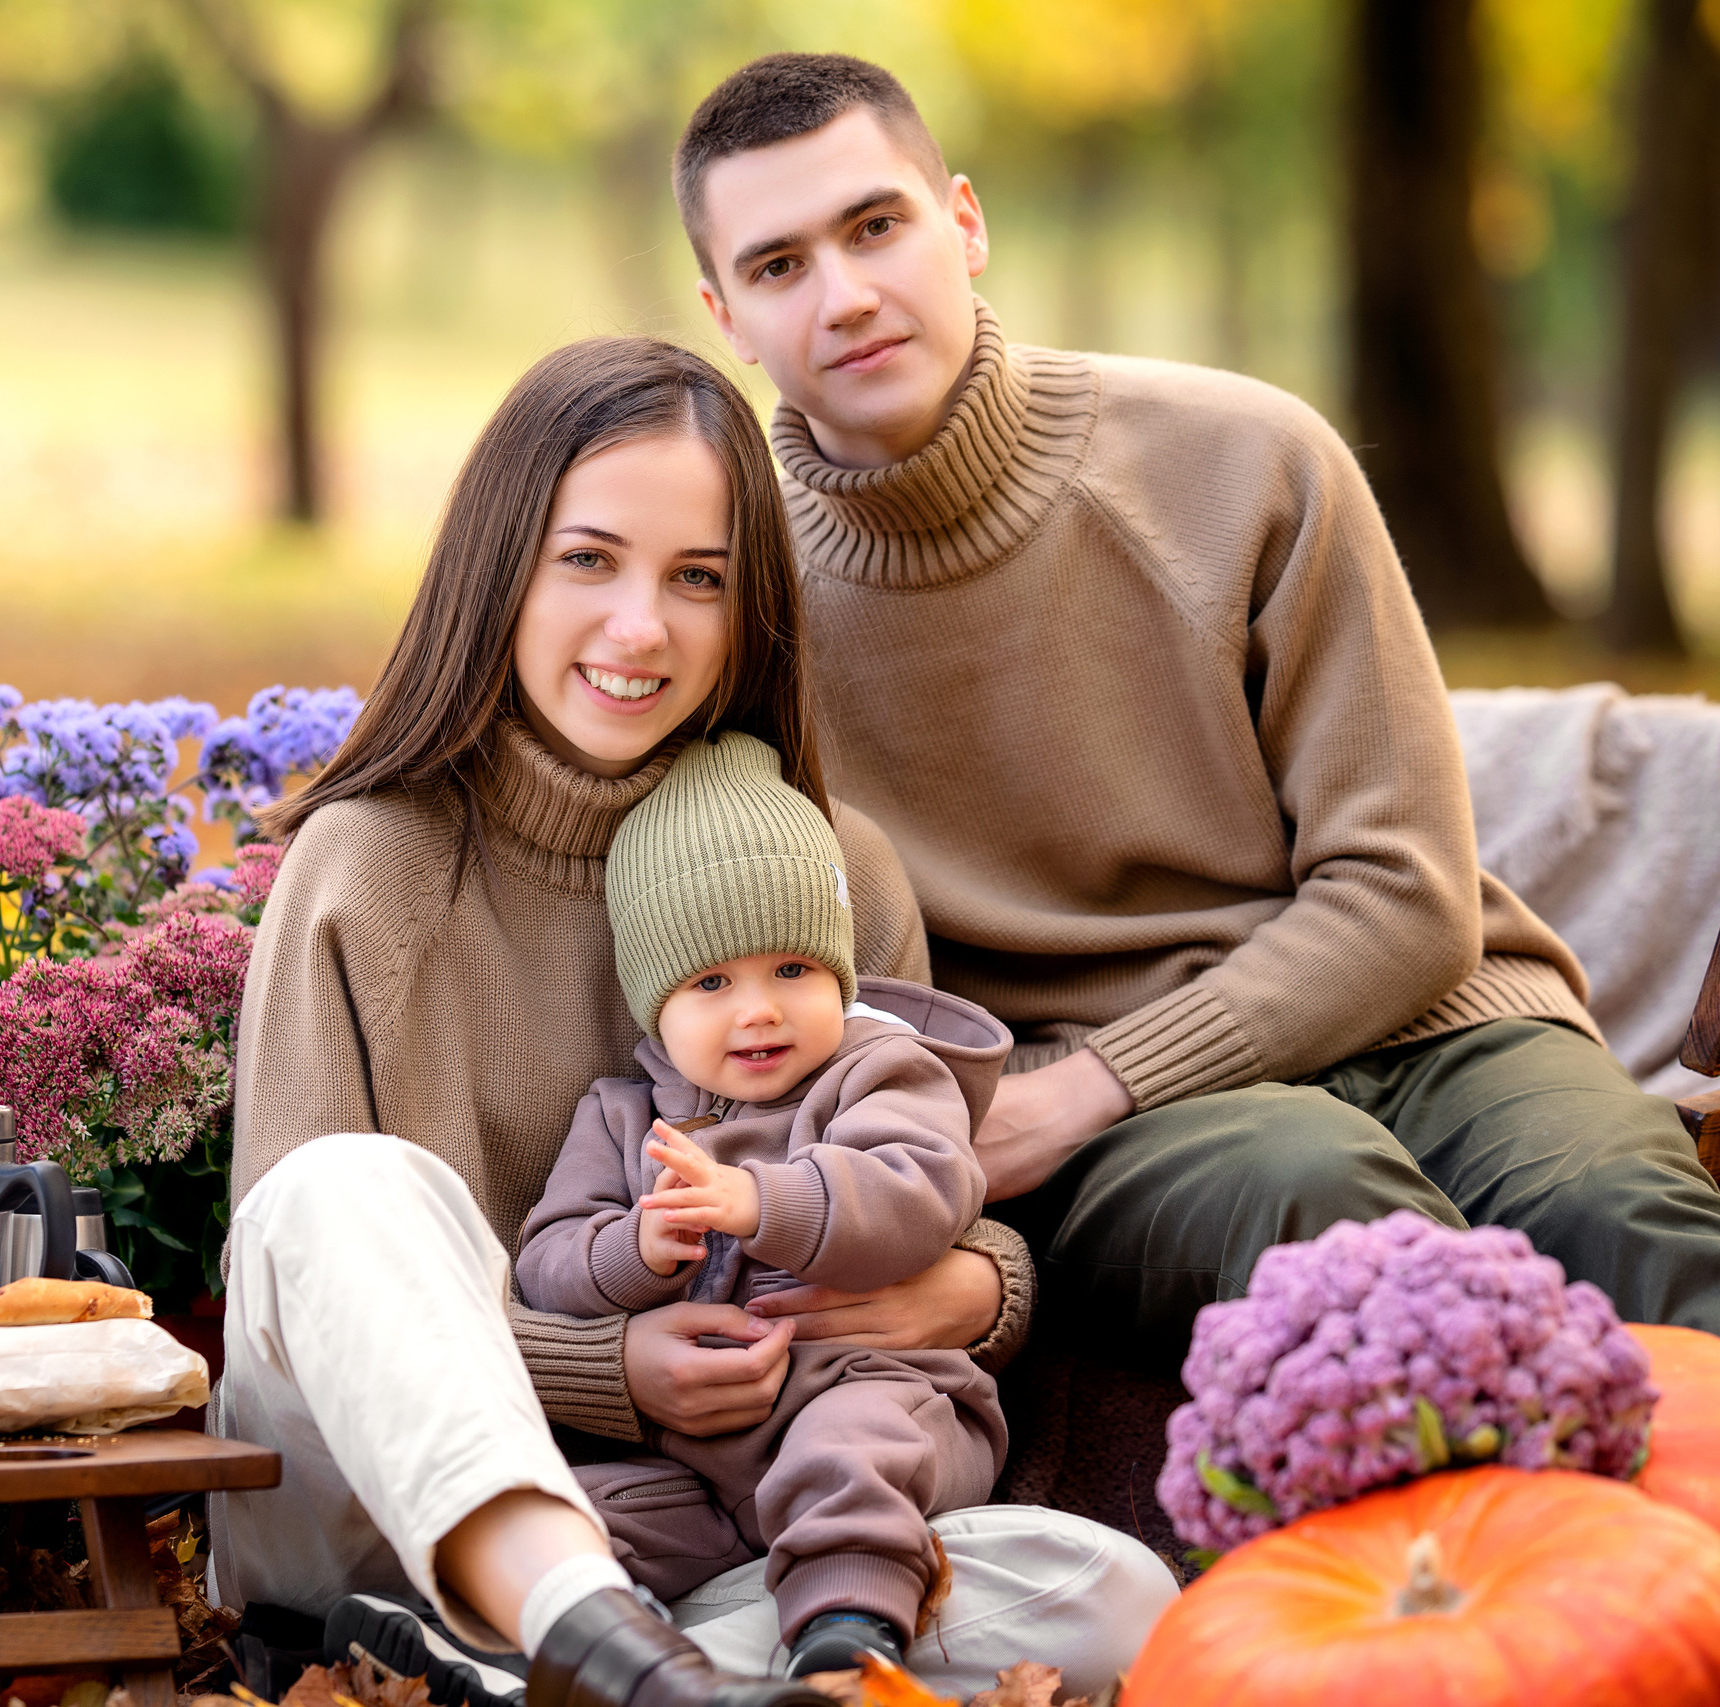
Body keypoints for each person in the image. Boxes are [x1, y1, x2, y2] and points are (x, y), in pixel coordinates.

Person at [673, 51, 1720, 1471]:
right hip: (1130, 1136)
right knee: (1339, 1223)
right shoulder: (737, 603)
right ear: (728, 317)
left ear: (963, 223)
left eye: (875, 225)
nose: (843, 293)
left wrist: (1080, 1089)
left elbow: (1404, 892)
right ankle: (1568, 1636)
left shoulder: (1246, 460)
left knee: (1633, 1211)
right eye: (779, 264)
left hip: (1428, 1024)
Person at [217, 336, 1178, 1707]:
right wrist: (616, 1369)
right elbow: (309, 1275)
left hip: (704, 1520)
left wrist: (974, 1289)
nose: (640, 629)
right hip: (373, 1508)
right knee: (347, 1183)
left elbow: (941, 1207)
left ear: (753, 610)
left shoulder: (831, 872)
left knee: (1110, 1595)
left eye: (699, 578)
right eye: (588, 560)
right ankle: (571, 1635)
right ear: (503, 568)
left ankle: (551, 1678)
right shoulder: (371, 864)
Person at [516, 731, 1011, 1679]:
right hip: (700, 1457)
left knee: (846, 1455)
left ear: (838, 972)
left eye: (792, 969)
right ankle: (541, 1657)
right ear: (653, 1003)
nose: (759, 1009)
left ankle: (847, 1640)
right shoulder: (622, 1119)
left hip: (872, 1389)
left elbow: (920, 1189)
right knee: (581, 1513)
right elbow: (547, 1259)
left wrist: (758, 1199)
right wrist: (635, 1247)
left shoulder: (880, 1071)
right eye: (712, 983)